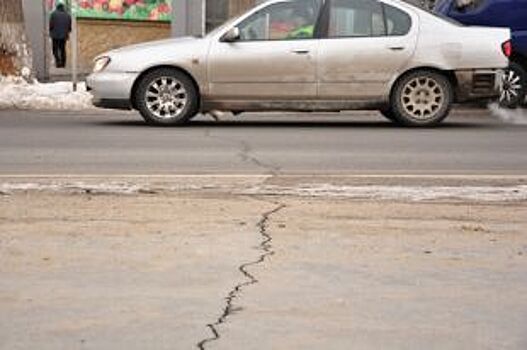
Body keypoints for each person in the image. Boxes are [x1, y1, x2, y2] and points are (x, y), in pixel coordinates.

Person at [49, 3, 72, 68]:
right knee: (62, 49)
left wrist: (50, 31)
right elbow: (69, 27)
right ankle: (63, 63)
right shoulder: (68, 15)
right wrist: (67, 32)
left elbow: (50, 25)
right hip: (64, 36)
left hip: (55, 35)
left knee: (55, 49)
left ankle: (58, 61)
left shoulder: (53, 14)